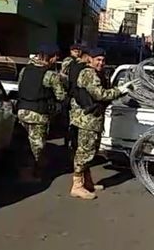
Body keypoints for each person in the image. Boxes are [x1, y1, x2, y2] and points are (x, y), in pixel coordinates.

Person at [69, 47, 136, 200]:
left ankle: (87, 183)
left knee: (91, 152)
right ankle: (77, 186)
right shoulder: (89, 73)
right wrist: (119, 91)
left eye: (103, 60)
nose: (101, 63)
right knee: (84, 153)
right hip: (87, 120)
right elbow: (99, 94)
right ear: (90, 59)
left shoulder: (96, 74)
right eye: (97, 59)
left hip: (93, 119)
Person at [17, 44, 66, 182]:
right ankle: (30, 174)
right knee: (37, 146)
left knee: (25, 143)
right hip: (38, 114)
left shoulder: (25, 70)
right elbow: (61, 95)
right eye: (56, 57)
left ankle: (26, 170)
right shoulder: (50, 75)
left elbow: (20, 86)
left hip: (22, 111)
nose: (56, 59)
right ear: (50, 57)